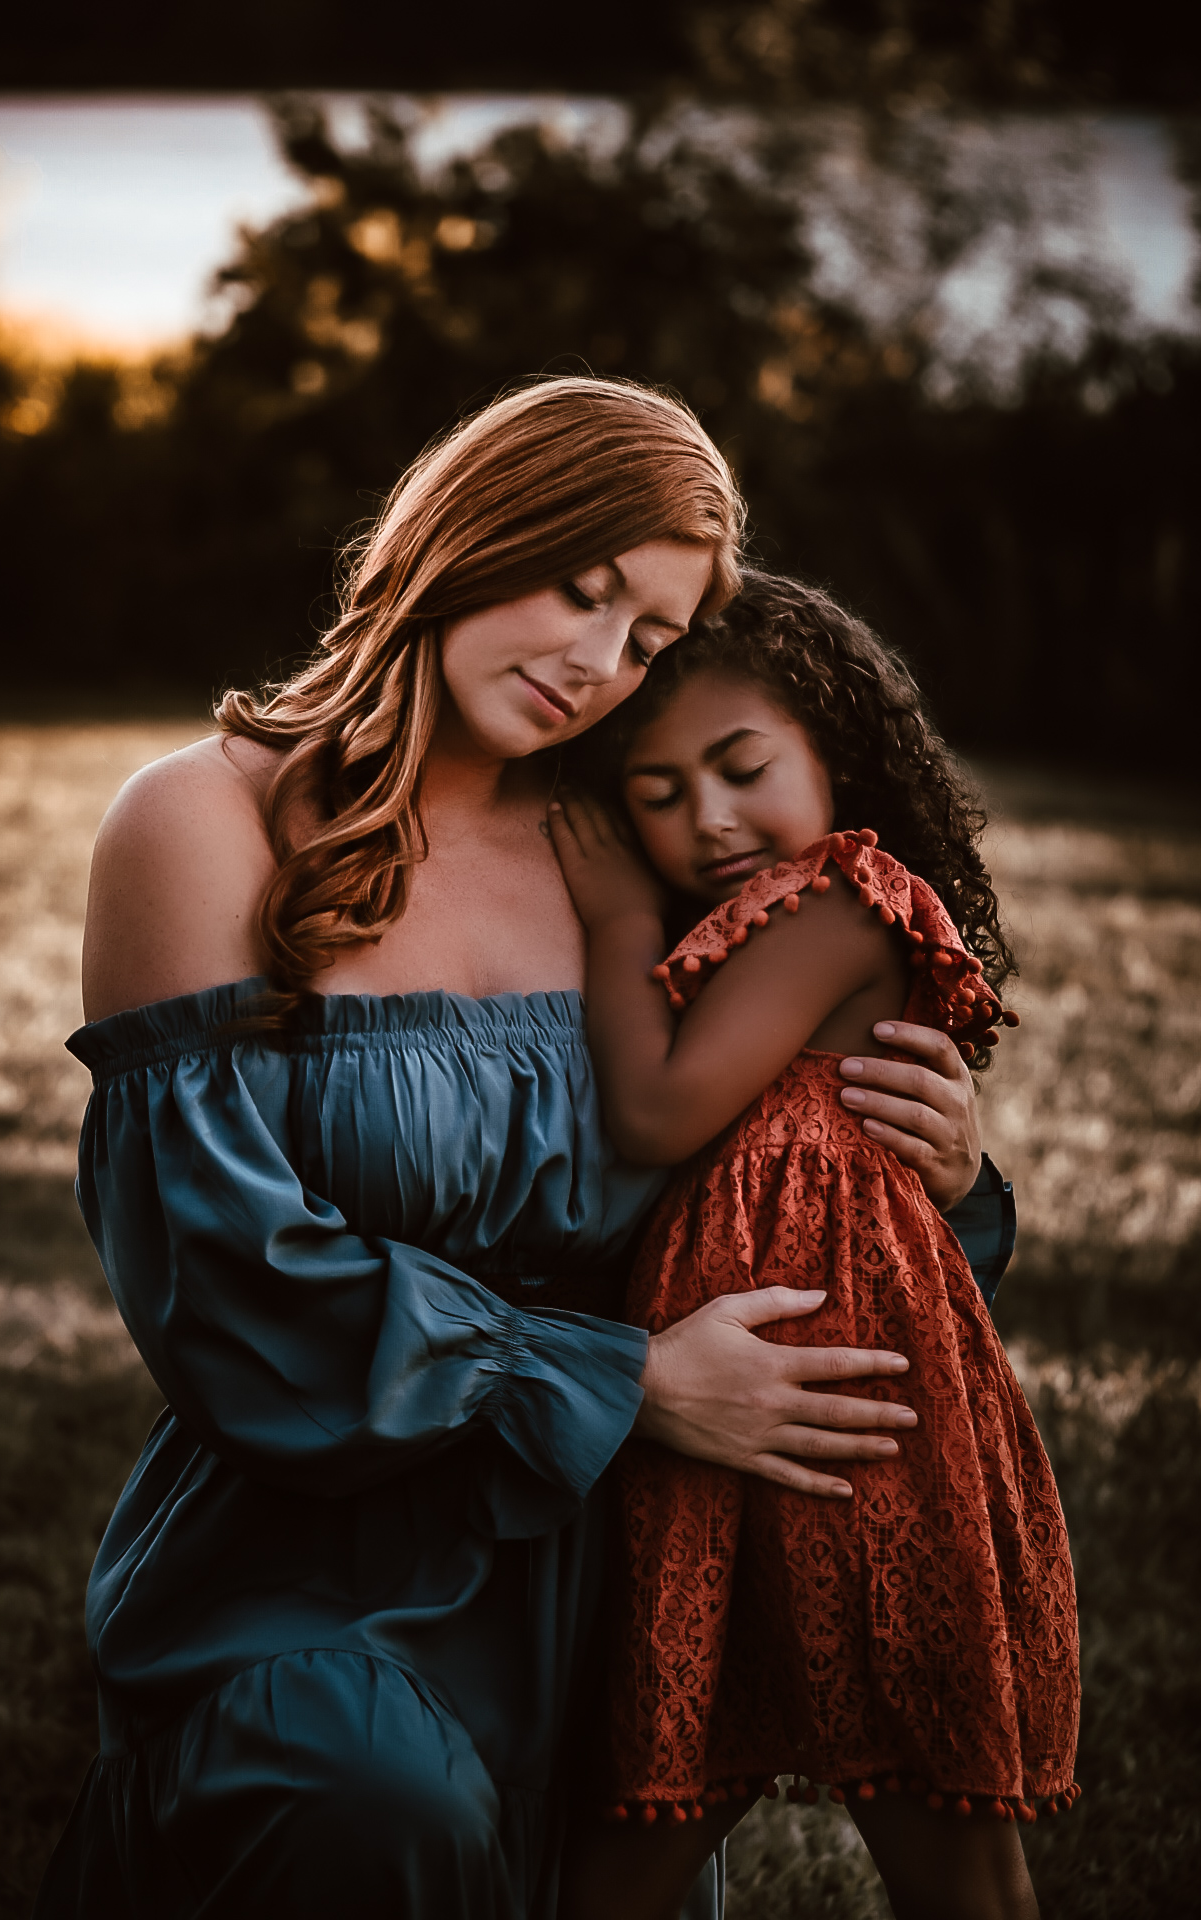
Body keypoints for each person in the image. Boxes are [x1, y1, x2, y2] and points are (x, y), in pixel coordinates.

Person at [33, 380, 1007, 1920]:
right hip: (309, 1552)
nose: (596, 664)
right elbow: (220, 1288)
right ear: (481, 525)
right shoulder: (204, 822)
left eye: (650, 642)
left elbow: (786, 1193)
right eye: (586, 587)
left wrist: (938, 1173)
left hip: (622, 1561)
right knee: (376, 1806)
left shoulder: (643, 847)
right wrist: (622, 1381)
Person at [548, 571, 1080, 1920]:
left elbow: (659, 1106)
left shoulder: (841, 901)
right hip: (748, 1388)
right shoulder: (757, 921)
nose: (704, 819)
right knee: (669, 1781)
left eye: (740, 768)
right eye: (656, 792)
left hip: (843, 1405)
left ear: (833, 754)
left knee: (937, 1811)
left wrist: (613, 913)